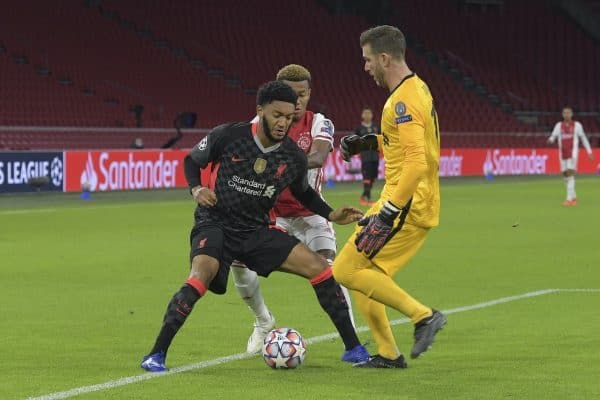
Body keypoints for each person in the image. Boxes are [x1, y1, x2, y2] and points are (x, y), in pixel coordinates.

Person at [141, 81, 369, 372]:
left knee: (321, 268)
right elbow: (191, 161)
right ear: (260, 110)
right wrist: (196, 189)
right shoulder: (229, 135)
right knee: (201, 276)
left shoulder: (292, 156)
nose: (283, 122)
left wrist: (332, 213)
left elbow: (304, 194)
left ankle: (353, 348)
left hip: (257, 232)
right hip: (216, 225)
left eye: (288, 117)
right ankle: (156, 354)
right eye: (277, 115)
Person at [332, 25, 446, 369]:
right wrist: (368, 141)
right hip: (405, 199)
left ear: (384, 58)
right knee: (364, 273)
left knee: (345, 269)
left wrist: (390, 211)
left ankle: (423, 316)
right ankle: (388, 353)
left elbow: (416, 161)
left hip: (406, 203)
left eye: (368, 60)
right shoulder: (415, 88)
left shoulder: (403, 100)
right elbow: (405, 144)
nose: (365, 66)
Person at [231, 64, 357, 355]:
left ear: (310, 93)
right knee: (238, 264)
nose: (298, 101)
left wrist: (279, 159)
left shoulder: (318, 122)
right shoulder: (260, 120)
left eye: (302, 95)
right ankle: (263, 321)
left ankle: (352, 343)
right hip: (270, 213)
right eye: (291, 95)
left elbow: (319, 156)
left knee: (329, 269)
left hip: (311, 213)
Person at [547, 106, 594, 206]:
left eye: (568, 113)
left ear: (571, 114)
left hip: (573, 154)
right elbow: (553, 136)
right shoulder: (558, 125)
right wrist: (550, 140)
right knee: (565, 176)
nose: (566, 115)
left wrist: (589, 151)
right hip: (562, 154)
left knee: (570, 174)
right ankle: (574, 197)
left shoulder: (577, 125)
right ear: (562, 114)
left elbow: (584, 139)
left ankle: (568, 199)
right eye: (565, 113)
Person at [353, 106, 380, 205]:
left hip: (375, 156)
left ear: (372, 115)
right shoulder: (359, 129)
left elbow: (381, 138)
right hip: (366, 156)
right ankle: (368, 199)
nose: (367, 115)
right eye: (365, 113)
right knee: (367, 177)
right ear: (362, 115)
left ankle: (363, 197)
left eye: (369, 113)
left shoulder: (376, 127)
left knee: (373, 177)